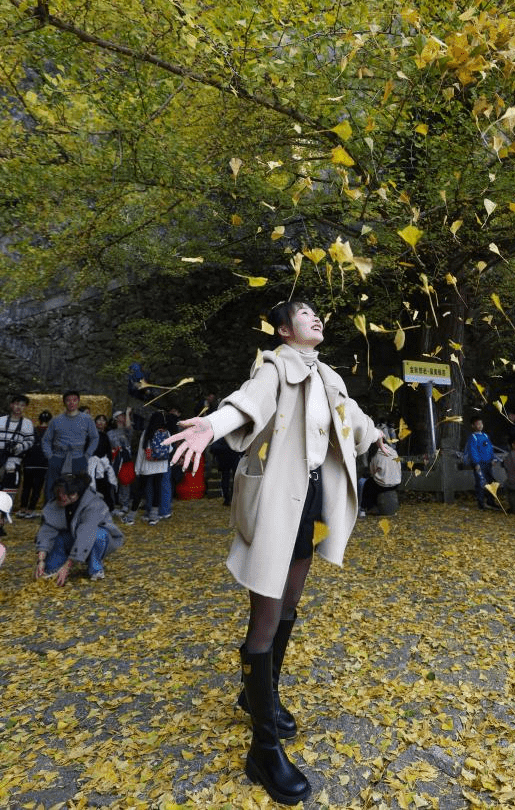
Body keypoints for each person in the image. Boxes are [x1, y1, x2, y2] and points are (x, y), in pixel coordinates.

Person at [167, 299, 388, 806]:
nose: (317, 318)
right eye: (304, 314)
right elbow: (247, 402)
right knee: (265, 617)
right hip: (276, 503)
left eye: (318, 314)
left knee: (290, 604)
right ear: (286, 330)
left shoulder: (328, 375)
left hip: (311, 502)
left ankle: (254, 696)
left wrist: (380, 440)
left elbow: (355, 421)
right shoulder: (274, 366)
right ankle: (263, 748)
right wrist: (211, 426)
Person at [34, 472, 124, 584]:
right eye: (58, 495)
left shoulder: (94, 504)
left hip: (94, 539)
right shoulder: (55, 503)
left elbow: (85, 535)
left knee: (98, 534)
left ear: (75, 493)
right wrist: (41, 560)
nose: (61, 498)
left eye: (65, 495)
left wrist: (67, 566)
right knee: (50, 568)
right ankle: (56, 566)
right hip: (71, 538)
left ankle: (95, 567)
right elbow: (47, 530)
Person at [41, 391, 99, 502]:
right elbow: (46, 440)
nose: (71, 403)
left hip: (78, 458)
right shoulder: (56, 420)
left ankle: (76, 516)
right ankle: (50, 516)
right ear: (64, 402)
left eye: (74, 400)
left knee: (79, 488)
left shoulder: (87, 419)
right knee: (52, 487)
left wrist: (87, 455)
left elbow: (95, 438)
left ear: (78, 401)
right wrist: (50, 456)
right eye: (68, 400)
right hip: (58, 457)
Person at [134, 410, 174, 524]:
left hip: (148, 465)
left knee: (149, 489)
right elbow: (170, 449)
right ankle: (159, 514)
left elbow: (141, 452)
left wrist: (138, 469)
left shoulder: (147, 432)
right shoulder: (166, 432)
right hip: (161, 465)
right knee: (161, 489)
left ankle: (148, 512)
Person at [0, 394, 35, 508]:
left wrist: (18, 447)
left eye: (22, 405)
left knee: (9, 490)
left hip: (13, 460)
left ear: (25, 408)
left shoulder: (27, 424)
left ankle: (3, 518)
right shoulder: (1, 420)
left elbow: (30, 441)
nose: (18, 407)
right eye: (16, 404)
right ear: (11, 405)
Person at [16, 410, 52, 518]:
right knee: (37, 488)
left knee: (26, 487)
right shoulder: (51, 432)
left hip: (29, 463)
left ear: (39, 420)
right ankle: (30, 510)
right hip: (42, 464)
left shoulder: (32, 430)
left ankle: (22, 509)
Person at [463, 415, 496, 510]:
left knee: (491, 481)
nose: (480, 426)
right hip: (479, 464)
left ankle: (491, 501)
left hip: (488, 463)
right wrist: (476, 463)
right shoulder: (473, 437)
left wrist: (493, 458)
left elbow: (490, 448)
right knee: (480, 483)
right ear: (473, 426)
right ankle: (481, 503)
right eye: (477, 424)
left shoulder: (485, 435)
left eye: (481, 423)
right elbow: (473, 451)